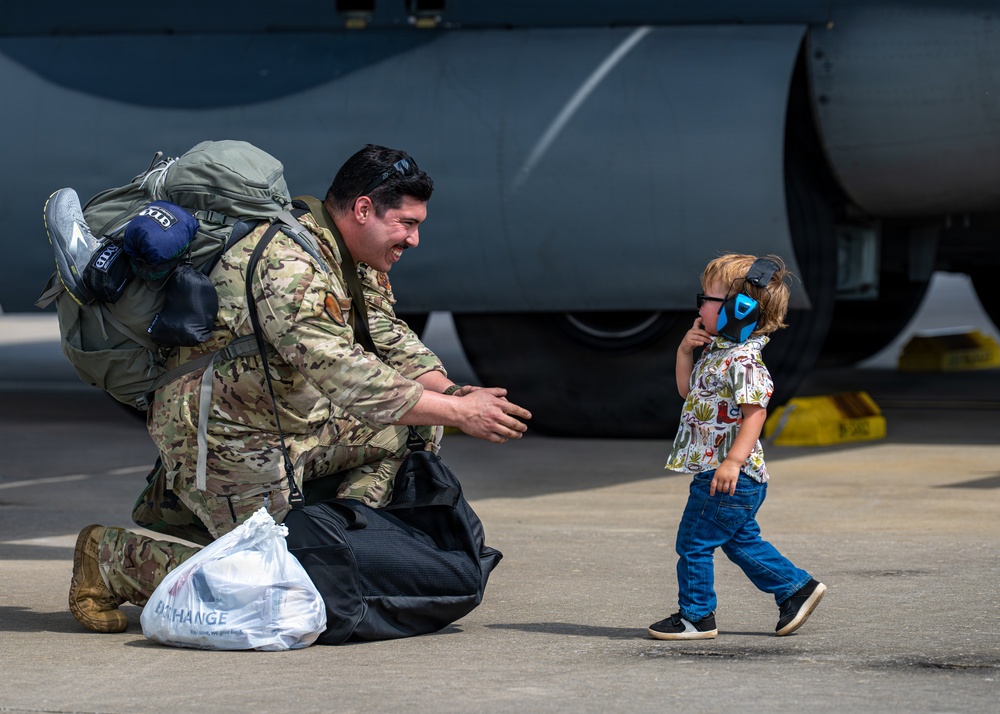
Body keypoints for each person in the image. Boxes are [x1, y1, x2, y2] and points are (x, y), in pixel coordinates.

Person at [69, 144, 532, 634]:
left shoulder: (349, 255)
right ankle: (113, 558)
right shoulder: (288, 265)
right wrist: (460, 414)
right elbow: (347, 375)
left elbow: (386, 337)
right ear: (363, 209)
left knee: (415, 430)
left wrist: (454, 394)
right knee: (275, 588)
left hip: (290, 421)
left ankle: (334, 537)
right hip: (228, 437)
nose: (414, 239)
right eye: (406, 223)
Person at [647, 253, 825, 641]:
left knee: (693, 542)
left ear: (740, 309)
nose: (699, 307)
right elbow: (687, 392)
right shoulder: (717, 352)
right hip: (727, 474)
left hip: (728, 475)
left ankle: (696, 616)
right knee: (739, 542)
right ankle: (796, 588)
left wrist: (731, 462)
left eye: (707, 299)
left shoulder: (743, 361)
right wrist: (684, 352)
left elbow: (755, 415)